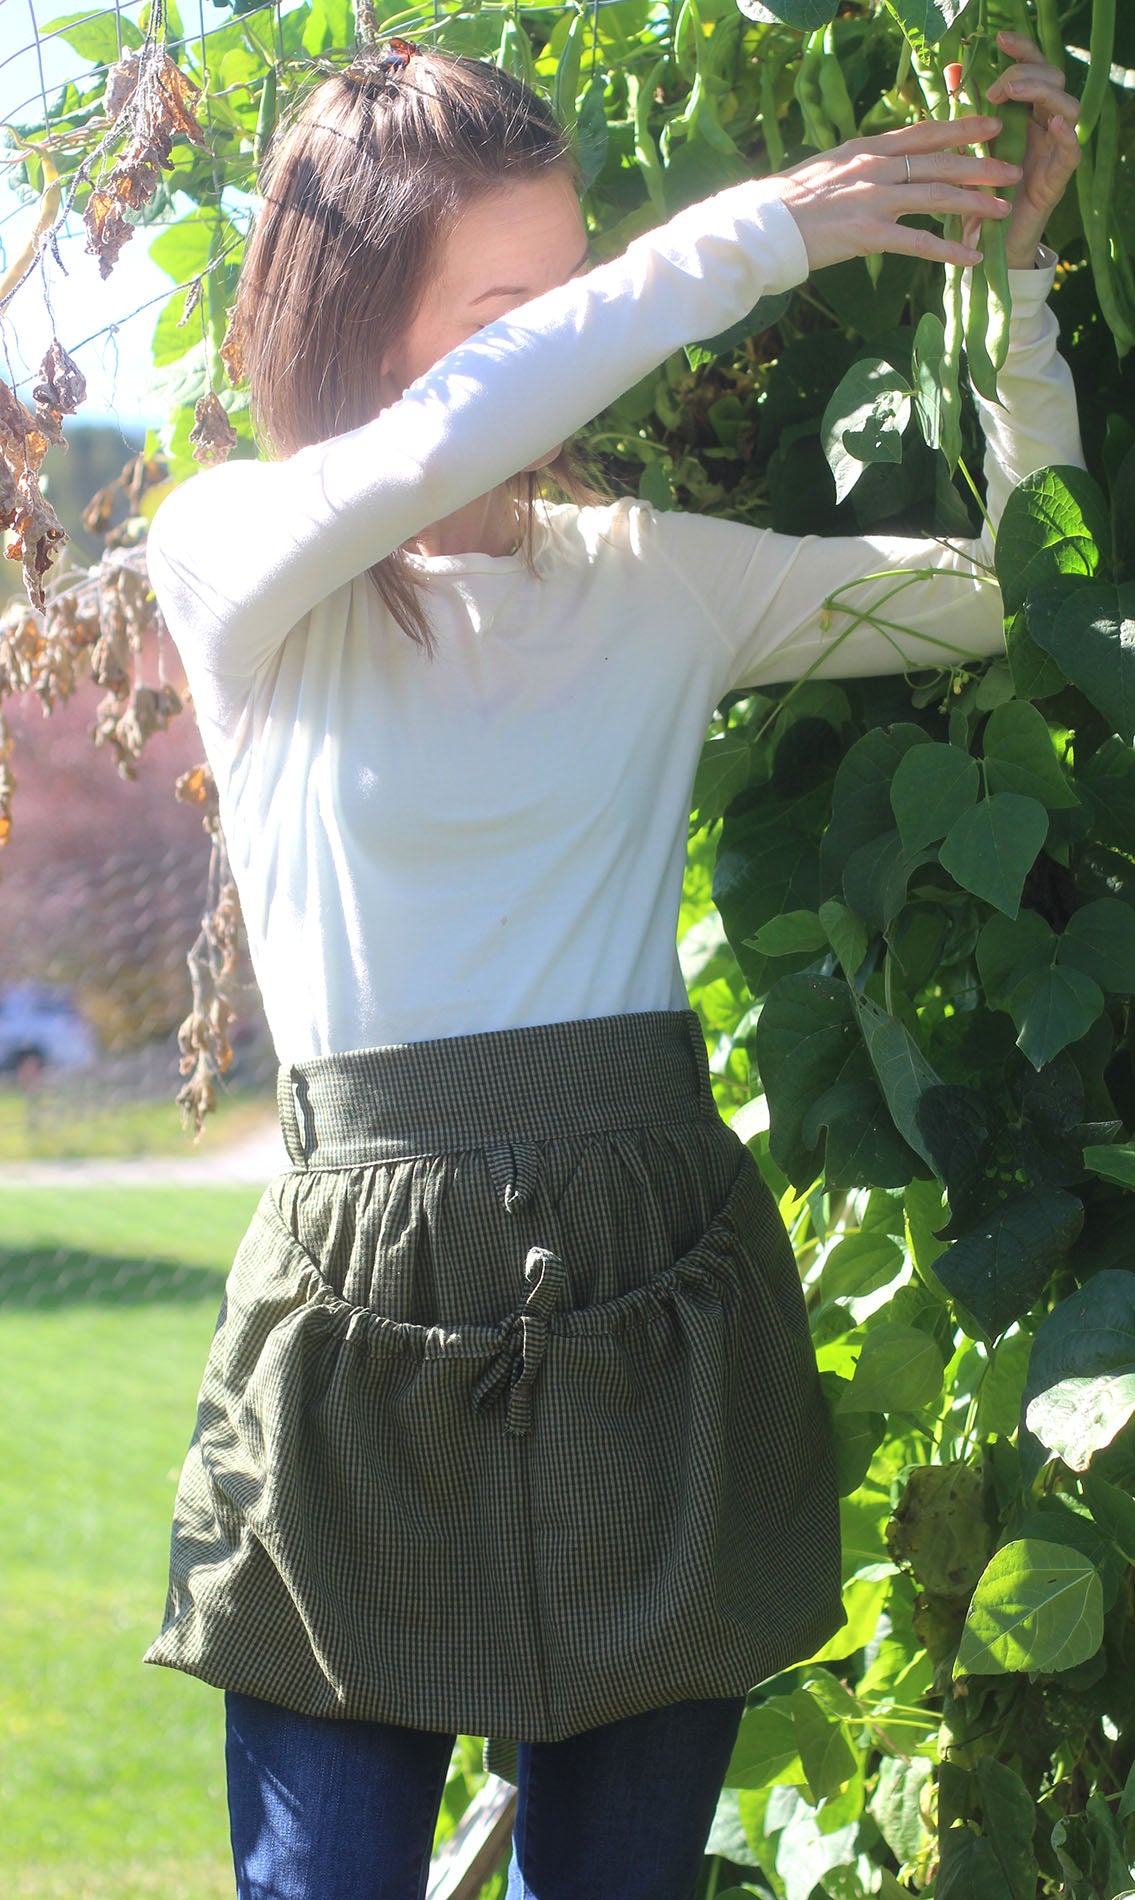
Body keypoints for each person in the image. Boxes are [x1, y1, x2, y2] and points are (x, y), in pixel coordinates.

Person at [143, 27, 1084, 1900]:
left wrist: (1018, 285)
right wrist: (755, 238)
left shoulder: (651, 578)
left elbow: (998, 583)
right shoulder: (243, 557)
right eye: (507, 308)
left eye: (570, 291)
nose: (560, 348)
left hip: (655, 1277)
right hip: (365, 1312)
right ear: (365, 313)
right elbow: (434, 445)